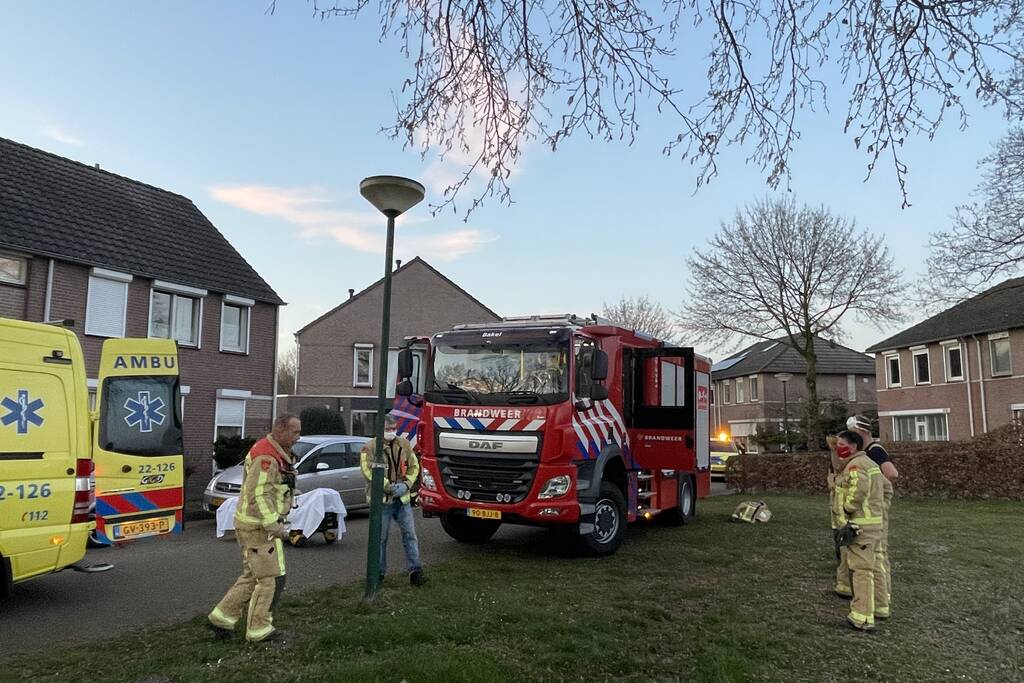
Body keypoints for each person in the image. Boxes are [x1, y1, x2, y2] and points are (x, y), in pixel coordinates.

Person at [208, 414, 300, 643]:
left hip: (254, 525)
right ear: (280, 430)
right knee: (270, 579)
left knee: (252, 576)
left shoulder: (274, 452)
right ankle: (260, 631)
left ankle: (221, 618)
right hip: (258, 528)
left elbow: (269, 489)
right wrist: (273, 525)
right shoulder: (267, 456)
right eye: (295, 432)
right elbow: (257, 494)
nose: (298, 437)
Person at [361, 413, 426, 586]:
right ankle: (379, 573)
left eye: (393, 428)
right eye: (388, 429)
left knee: (410, 535)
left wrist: (406, 484)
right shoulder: (370, 447)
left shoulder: (403, 444)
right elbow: (368, 472)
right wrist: (388, 486)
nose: (391, 432)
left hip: (402, 499)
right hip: (382, 501)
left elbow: (414, 465)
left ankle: (415, 571)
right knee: (380, 539)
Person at [832, 429, 887, 630]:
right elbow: (887, 488)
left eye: (841, 445)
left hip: (860, 526)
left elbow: (858, 489)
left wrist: (848, 508)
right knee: (875, 566)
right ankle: (881, 606)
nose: (838, 449)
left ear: (853, 446)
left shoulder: (855, 466)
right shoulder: (872, 464)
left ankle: (862, 616)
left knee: (862, 571)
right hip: (875, 525)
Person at [847, 415, 895, 618]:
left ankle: (883, 597)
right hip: (872, 511)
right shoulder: (865, 453)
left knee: (878, 556)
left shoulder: (875, 451)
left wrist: (876, 493)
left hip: (874, 513)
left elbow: (891, 474)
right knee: (874, 557)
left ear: (862, 431)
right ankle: (878, 599)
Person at [825, 435, 852, 598]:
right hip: (837, 508)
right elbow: (834, 469)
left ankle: (846, 583)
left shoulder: (852, 462)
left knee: (846, 545)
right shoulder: (839, 458)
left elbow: (839, 466)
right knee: (839, 541)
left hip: (846, 511)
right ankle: (843, 577)